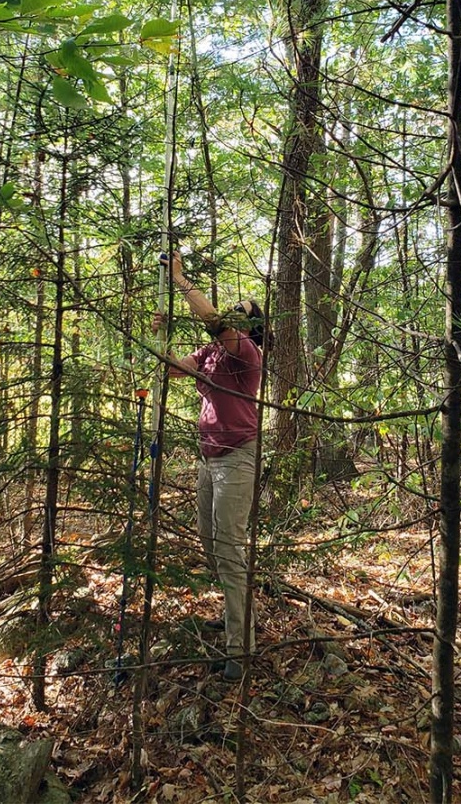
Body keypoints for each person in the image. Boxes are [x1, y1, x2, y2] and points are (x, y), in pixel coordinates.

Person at [153, 251, 268, 682]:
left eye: (242, 311)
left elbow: (213, 320)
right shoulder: (213, 353)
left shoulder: (247, 354)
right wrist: (162, 339)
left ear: (251, 326)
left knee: (229, 548)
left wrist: (180, 279)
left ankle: (240, 647)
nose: (234, 311)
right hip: (209, 457)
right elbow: (174, 371)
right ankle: (234, 618)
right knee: (210, 544)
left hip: (238, 456)